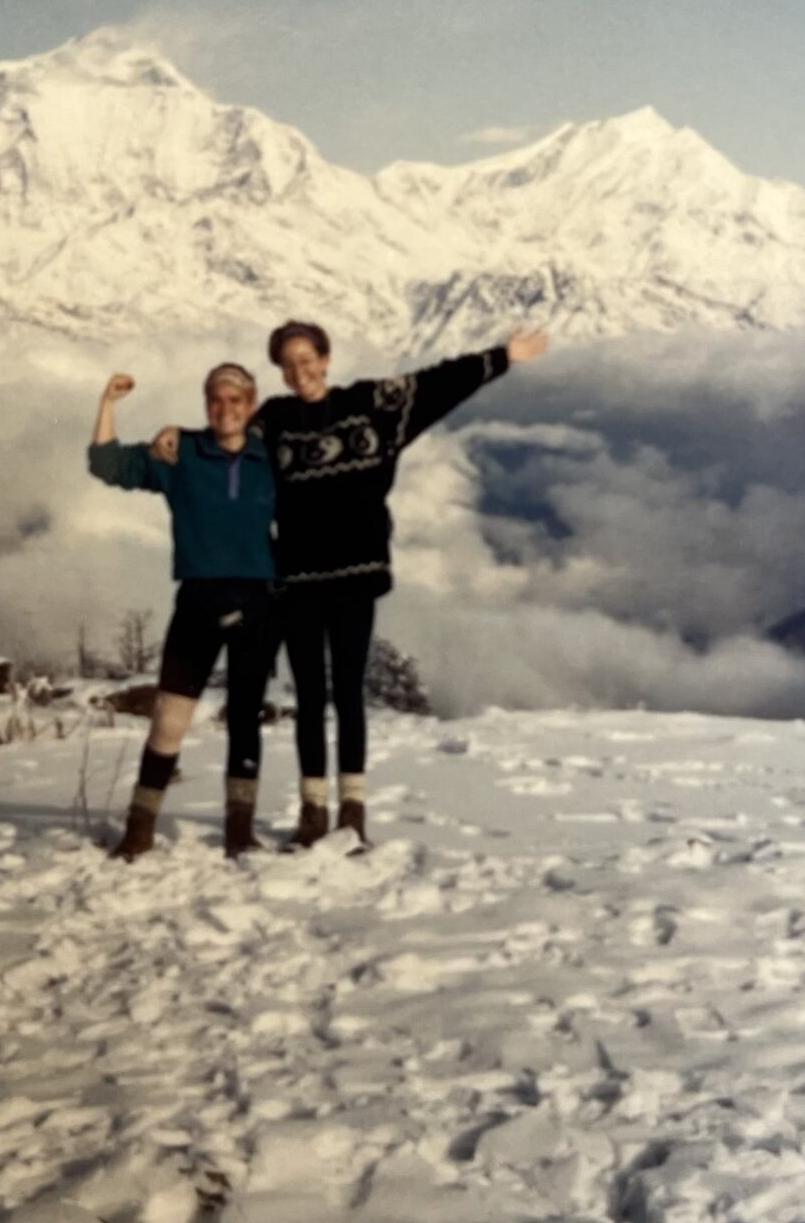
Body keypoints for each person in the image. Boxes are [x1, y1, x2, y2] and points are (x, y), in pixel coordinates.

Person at [158, 320, 550, 847]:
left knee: (347, 692)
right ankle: (313, 810)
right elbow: (224, 438)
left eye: (307, 359)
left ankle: (353, 810)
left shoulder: (371, 407)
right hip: (295, 579)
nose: (300, 372)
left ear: (325, 358)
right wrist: (177, 441)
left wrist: (502, 357)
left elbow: (434, 384)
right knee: (311, 697)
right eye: (288, 364)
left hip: (354, 577)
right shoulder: (273, 420)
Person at [87, 364, 279, 861]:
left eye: (237, 399)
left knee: (245, 717)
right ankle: (140, 826)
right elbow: (107, 464)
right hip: (198, 599)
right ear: (206, 403)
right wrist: (108, 404)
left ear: (252, 404)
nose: (227, 408)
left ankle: (240, 830)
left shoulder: (272, 457)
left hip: (260, 600)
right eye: (217, 399)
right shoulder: (182, 454)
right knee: (170, 719)